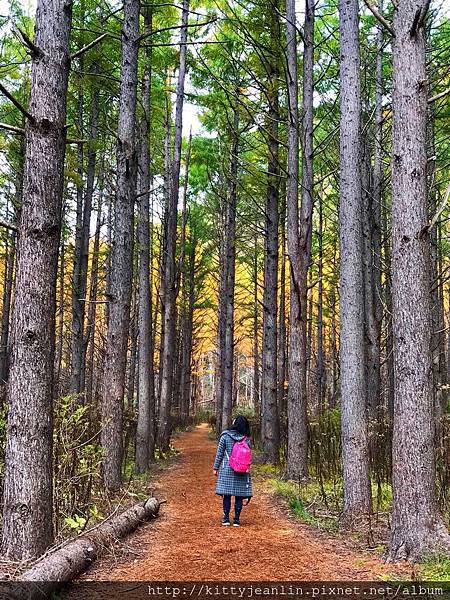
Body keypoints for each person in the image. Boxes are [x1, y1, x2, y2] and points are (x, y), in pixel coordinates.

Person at [213, 415, 253, 526]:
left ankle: (226, 518)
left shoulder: (225, 436)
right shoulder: (246, 438)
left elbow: (220, 453)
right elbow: (249, 455)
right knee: (239, 495)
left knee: (227, 495)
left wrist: (215, 468)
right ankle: (236, 519)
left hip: (227, 469)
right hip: (242, 470)